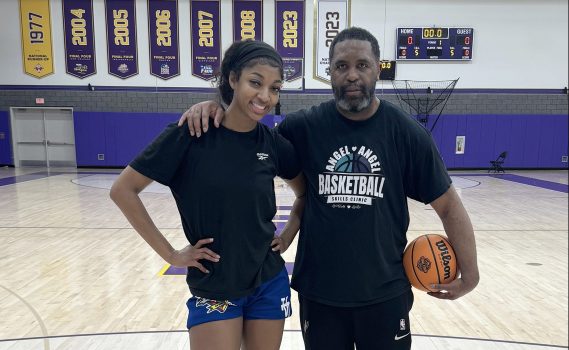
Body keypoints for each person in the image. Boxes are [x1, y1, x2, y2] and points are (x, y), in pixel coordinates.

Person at [179, 27, 480, 350]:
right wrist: (213, 109)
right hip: (321, 295)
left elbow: (448, 205)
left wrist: (471, 274)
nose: (352, 75)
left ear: (378, 68)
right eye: (341, 66)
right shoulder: (303, 127)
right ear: (329, 73)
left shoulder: (405, 133)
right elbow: (246, 133)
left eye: (362, 65)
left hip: (385, 292)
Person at [110, 40, 305, 350]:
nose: (265, 97)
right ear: (232, 79)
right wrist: (171, 255)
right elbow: (123, 190)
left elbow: (304, 195)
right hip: (215, 284)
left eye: (275, 88)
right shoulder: (190, 134)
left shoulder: (272, 143)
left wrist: (289, 233)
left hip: (268, 280)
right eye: (255, 82)